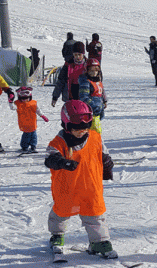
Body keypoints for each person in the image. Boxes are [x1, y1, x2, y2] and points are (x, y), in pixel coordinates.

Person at [45, 100, 117, 259]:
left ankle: (99, 241)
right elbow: (50, 159)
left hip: (90, 186)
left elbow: (102, 153)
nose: (81, 132)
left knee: (95, 213)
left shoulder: (95, 137)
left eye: (85, 128)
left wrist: (107, 164)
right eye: (76, 129)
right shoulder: (58, 143)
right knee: (61, 211)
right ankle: (57, 234)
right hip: (67, 187)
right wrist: (62, 162)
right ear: (66, 125)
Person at [14, 86, 51, 153]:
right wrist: (10, 100)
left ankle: (33, 147)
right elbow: (12, 107)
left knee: (33, 136)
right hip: (24, 124)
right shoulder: (18, 104)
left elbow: (38, 110)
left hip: (32, 123)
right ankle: (25, 147)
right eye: (22, 98)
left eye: (26, 98)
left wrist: (42, 116)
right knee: (26, 136)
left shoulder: (33, 104)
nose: (24, 100)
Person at [52, 41, 88, 106]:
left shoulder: (88, 65)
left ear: (83, 54)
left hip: (84, 95)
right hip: (71, 95)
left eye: (79, 55)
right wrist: (55, 97)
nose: (77, 57)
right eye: (75, 55)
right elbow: (60, 81)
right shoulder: (68, 65)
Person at [77, 58, 106, 132]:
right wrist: (93, 106)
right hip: (90, 112)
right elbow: (84, 97)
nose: (94, 73)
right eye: (91, 70)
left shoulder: (98, 81)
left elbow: (101, 92)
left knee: (97, 130)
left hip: (98, 110)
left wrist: (104, 101)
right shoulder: (86, 82)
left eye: (96, 70)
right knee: (94, 130)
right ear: (87, 71)